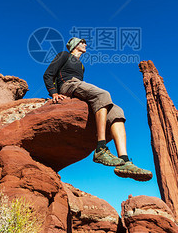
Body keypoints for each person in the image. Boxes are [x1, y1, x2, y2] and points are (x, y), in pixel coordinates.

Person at [43, 37, 152, 181]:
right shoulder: (64, 55)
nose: (85, 44)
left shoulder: (81, 66)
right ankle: (101, 148)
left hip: (78, 88)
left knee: (117, 111)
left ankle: (125, 161)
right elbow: (48, 74)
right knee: (103, 94)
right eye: (82, 42)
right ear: (75, 45)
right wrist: (54, 93)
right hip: (68, 85)